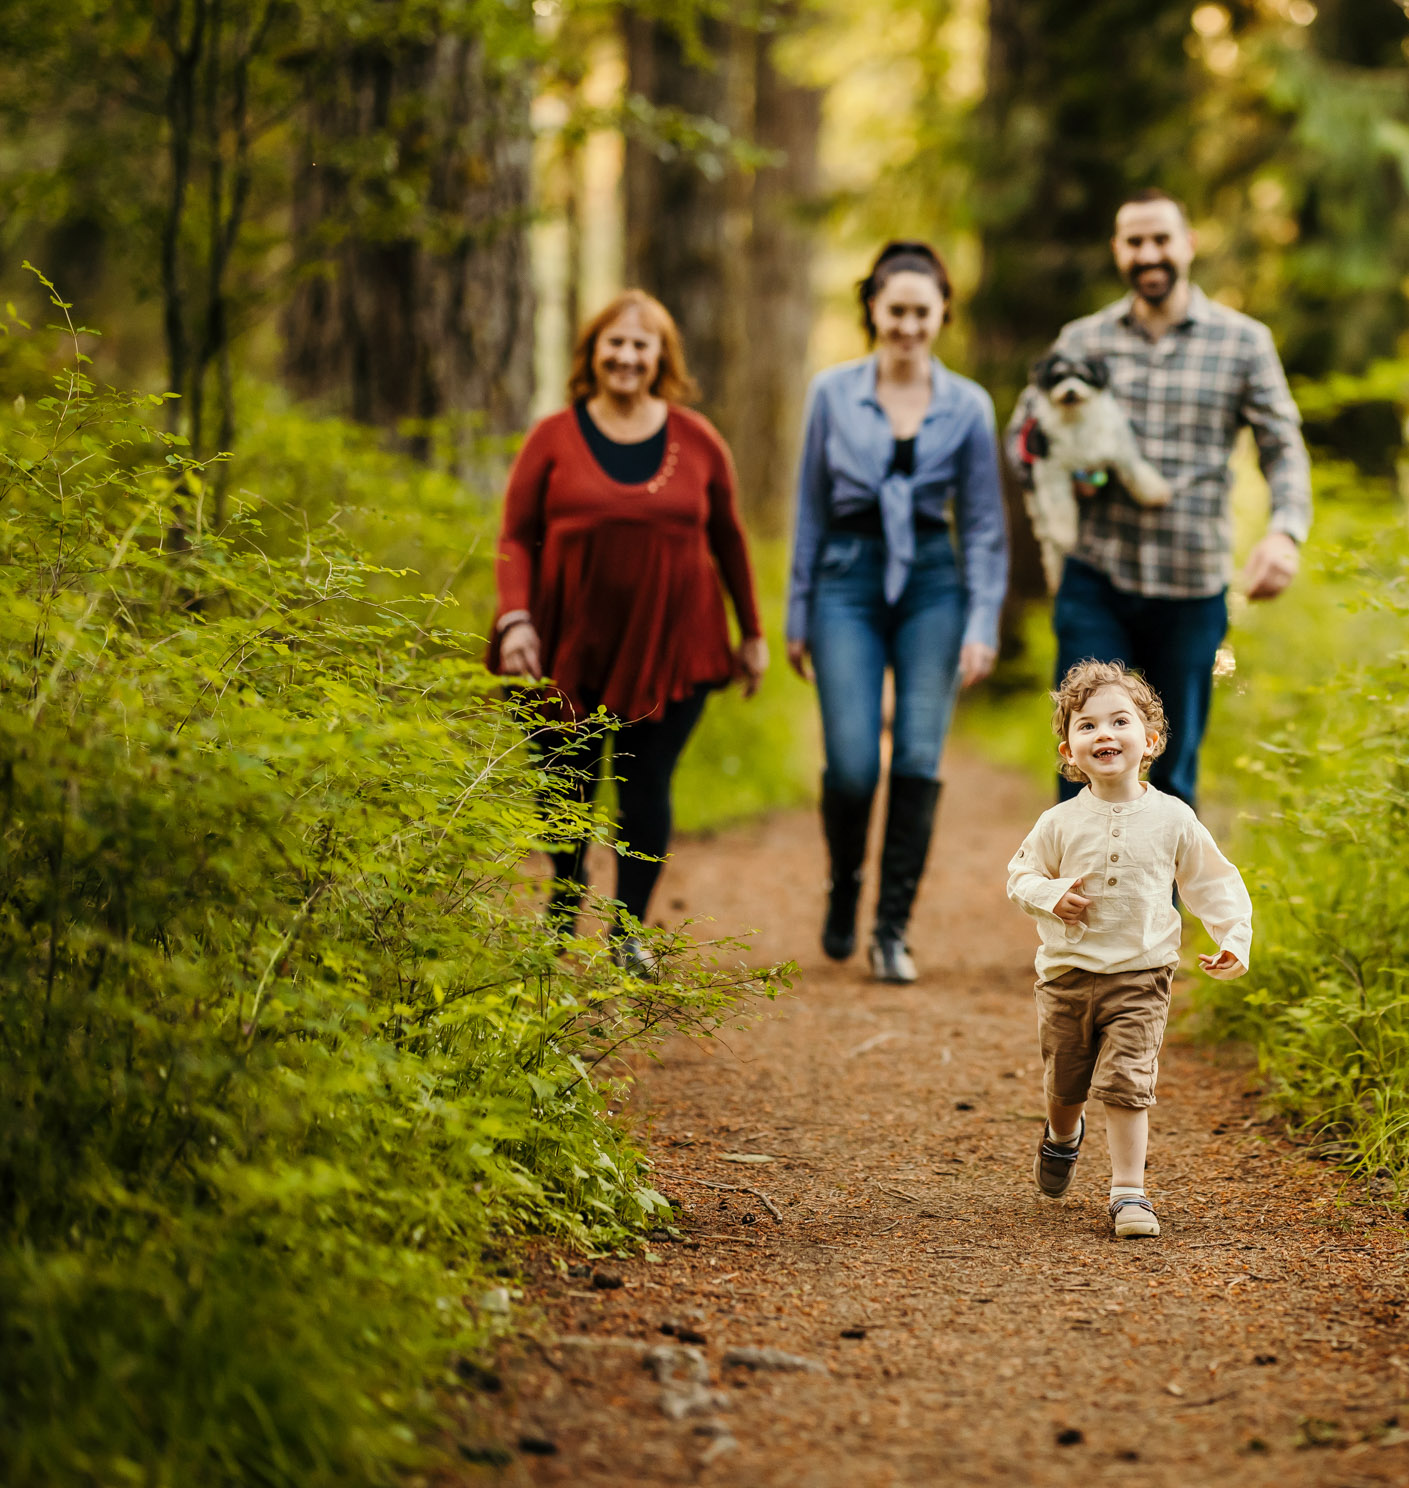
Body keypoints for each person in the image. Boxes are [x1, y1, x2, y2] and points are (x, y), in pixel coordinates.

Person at [489, 289, 766, 972]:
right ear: (593, 353)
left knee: (645, 786)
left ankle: (626, 935)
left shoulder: (698, 440)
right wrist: (514, 617)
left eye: (642, 344)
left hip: (674, 646)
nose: (627, 355)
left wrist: (752, 633)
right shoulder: (552, 437)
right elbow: (515, 538)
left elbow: (730, 539)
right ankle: (562, 910)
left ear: (660, 358)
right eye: (615, 341)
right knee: (566, 780)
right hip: (563, 644)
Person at [1007, 189, 1312, 807]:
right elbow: (1022, 438)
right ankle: (1071, 906)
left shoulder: (1243, 341)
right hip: (1095, 579)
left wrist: (1285, 530)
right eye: (1135, 242)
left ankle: (1159, 909)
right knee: (1085, 767)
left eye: (1161, 239)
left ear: (1188, 245)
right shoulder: (1083, 339)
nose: (1149, 254)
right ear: (1118, 251)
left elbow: (1282, 445)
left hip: (1192, 588)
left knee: (1171, 774)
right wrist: (1066, 471)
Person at [788, 241, 1008, 984]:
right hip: (845, 578)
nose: (909, 325)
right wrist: (797, 612)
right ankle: (846, 879)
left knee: (917, 755)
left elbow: (981, 524)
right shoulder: (831, 393)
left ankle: (892, 929)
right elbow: (809, 510)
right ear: (873, 312)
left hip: (934, 583)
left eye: (923, 312)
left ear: (942, 313)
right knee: (852, 765)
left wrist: (982, 621)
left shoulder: (969, 405)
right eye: (896, 311)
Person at [1004, 661, 1252, 1240]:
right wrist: (1052, 894)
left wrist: (1233, 935)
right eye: (1088, 726)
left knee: (1126, 1081)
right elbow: (1021, 875)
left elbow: (1211, 881)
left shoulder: (1172, 818)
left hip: (1142, 974)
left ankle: (1128, 1195)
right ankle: (1063, 1137)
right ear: (1070, 751)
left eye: (1120, 721)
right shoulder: (1058, 822)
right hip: (1067, 975)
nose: (1105, 734)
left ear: (1151, 741)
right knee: (1066, 1085)